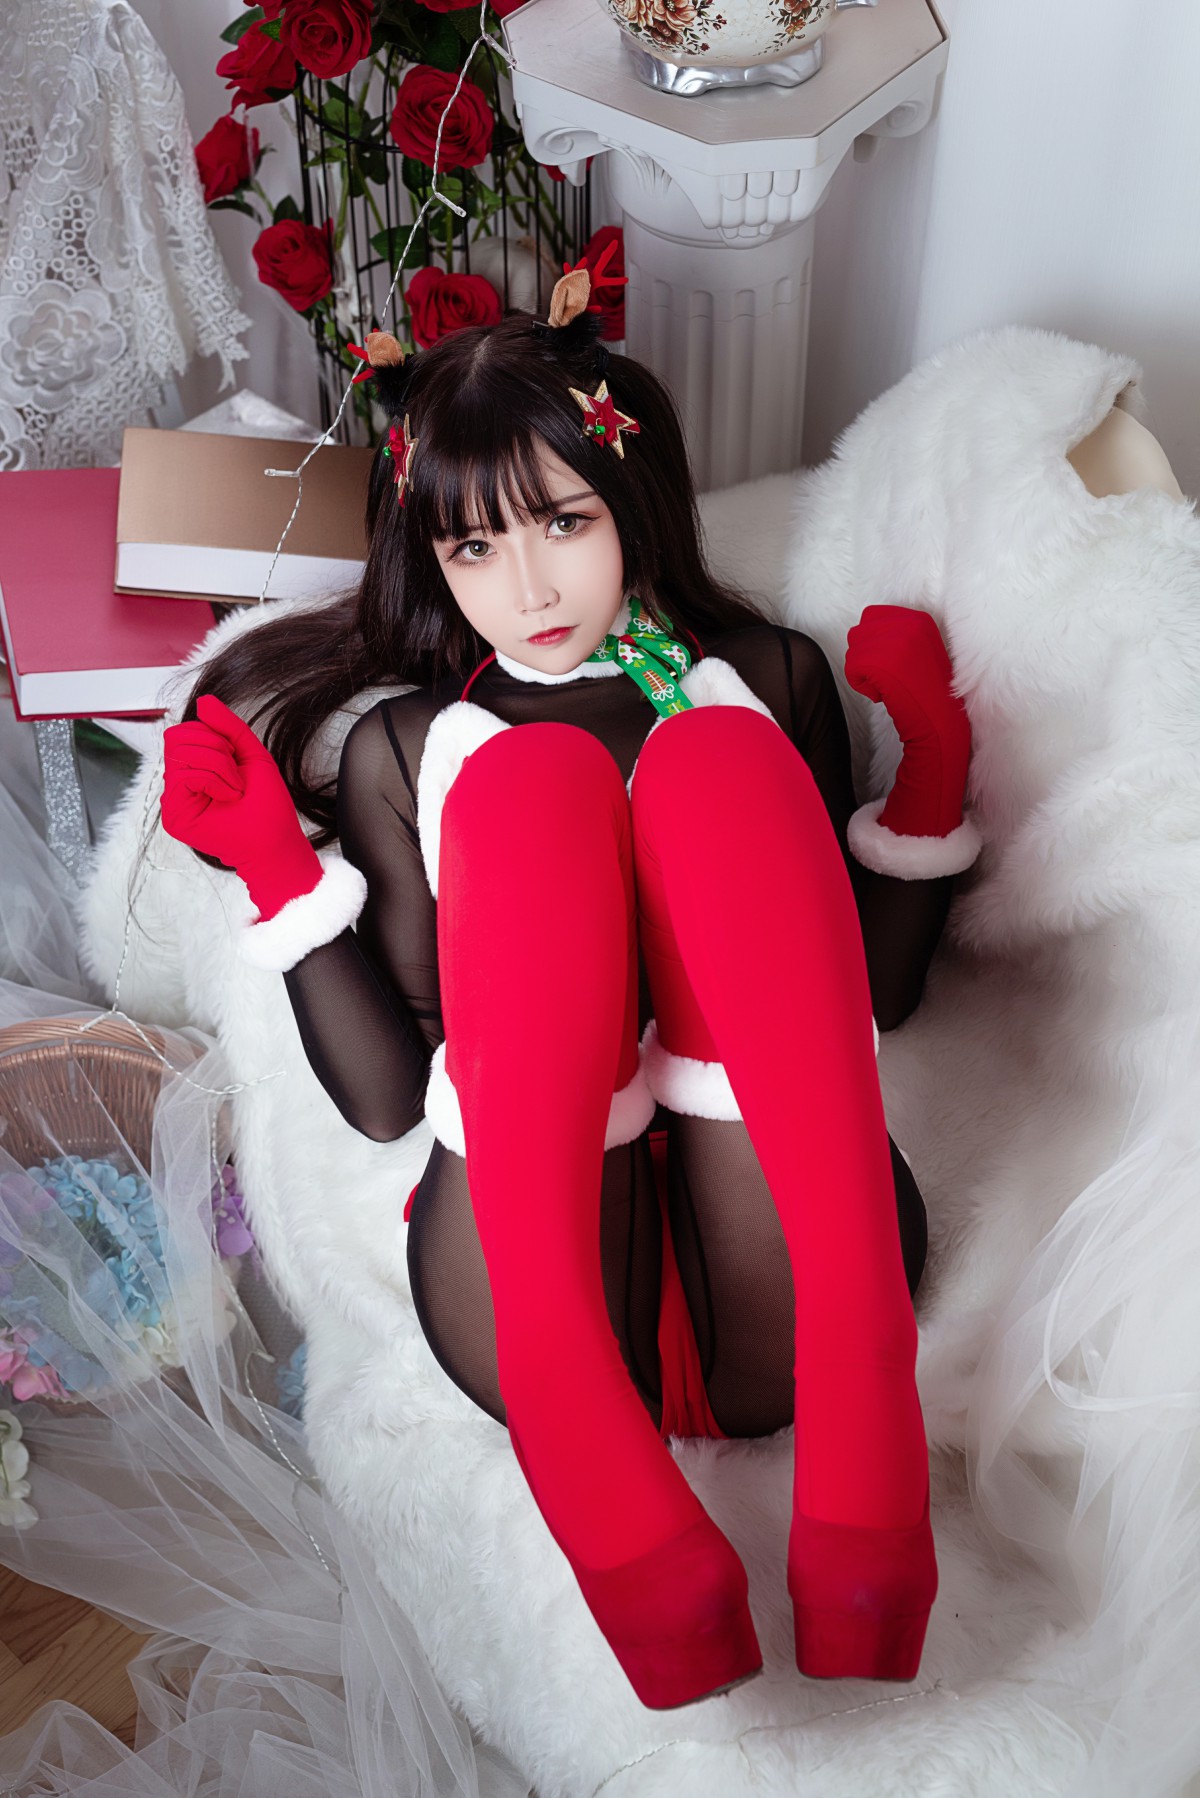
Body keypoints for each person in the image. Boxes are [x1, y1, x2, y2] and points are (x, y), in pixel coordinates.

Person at [158, 255, 981, 1712]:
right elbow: (393, 1101)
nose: (527, 589)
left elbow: (866, 1002)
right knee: (530, 792)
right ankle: (588, 1450)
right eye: (474, 548)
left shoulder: (766, 677)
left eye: (562, 522)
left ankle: (870, 1418)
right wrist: (278, 875)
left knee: (713, 765)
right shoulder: (410, 747)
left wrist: (929, 767)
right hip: (538, 1279)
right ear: (433, 560)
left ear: (632, 504)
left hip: (783, 1275)